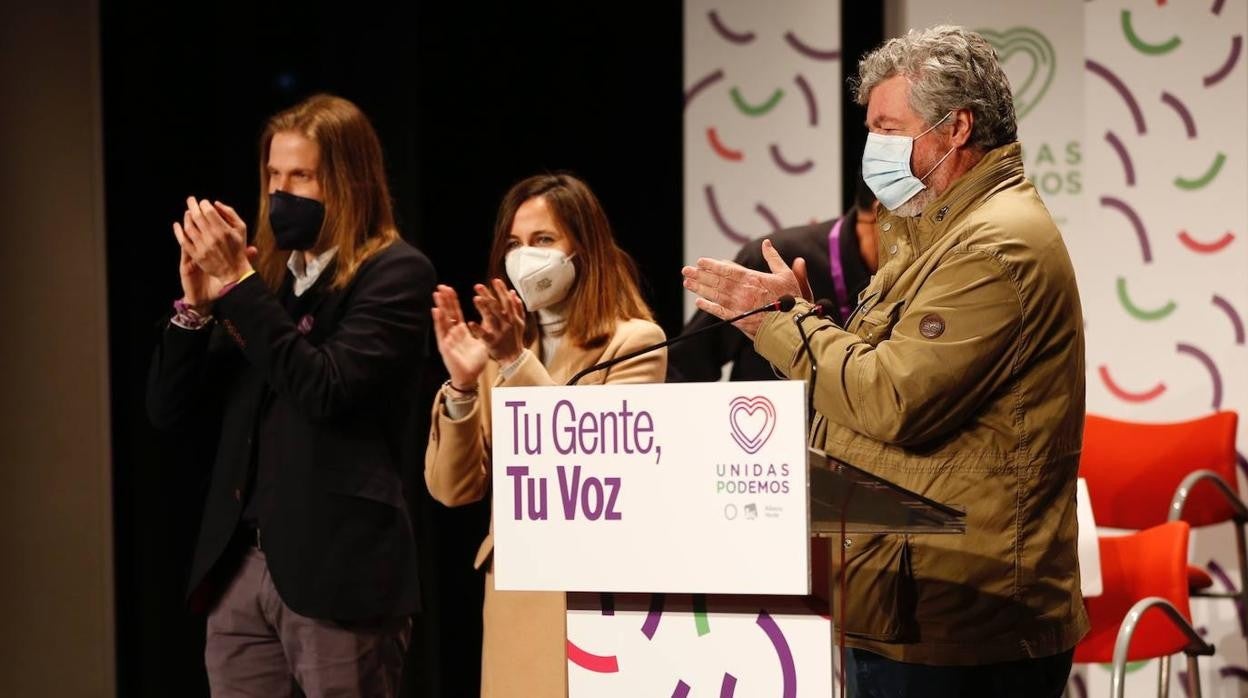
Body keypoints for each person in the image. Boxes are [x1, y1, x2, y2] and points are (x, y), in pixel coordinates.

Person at [681, 26, 1087, 697]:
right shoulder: (939, 234)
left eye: (888, 126)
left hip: (961, 619)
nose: (874, 147)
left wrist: (776, 323)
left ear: (956, 127)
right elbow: (877, 370)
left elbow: (891, 398)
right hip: (910, 594)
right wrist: (799, 320)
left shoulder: (993, 246)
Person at [147, 94, 433, 697]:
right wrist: (197, 309)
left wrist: (240, 287)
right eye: (273, 175)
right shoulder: (267, 284)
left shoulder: (395, 274)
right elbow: (169, 411)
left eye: (300, 175)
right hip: (240, 571)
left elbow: (323, 387)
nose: (281, 191)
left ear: (349, 182)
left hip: (335, 574)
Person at [424, 173, 665, 698]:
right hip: (514, 590)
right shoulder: (499, 348)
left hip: (593, 592)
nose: (523, 257)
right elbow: (452, 489)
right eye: (513, 244)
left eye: (542, 241)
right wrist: (463, 388)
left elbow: (584, 456)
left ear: (585, 248)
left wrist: (514, 361)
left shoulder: (635, 342)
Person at [667, 177, 879, 382]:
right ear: (880, 211)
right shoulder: (776, 260)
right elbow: (681, 368)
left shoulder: (910, 281)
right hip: (759, 414)